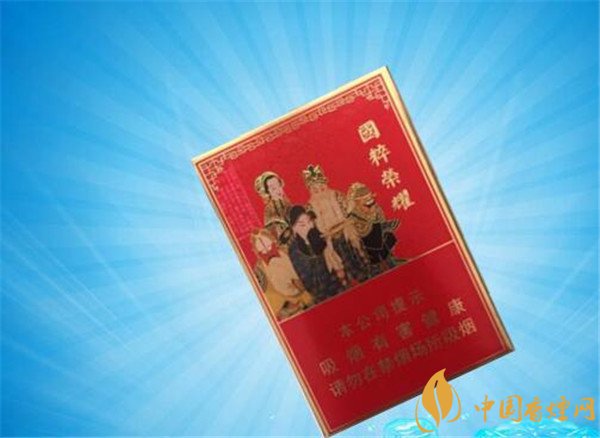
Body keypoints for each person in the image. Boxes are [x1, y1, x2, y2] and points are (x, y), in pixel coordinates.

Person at [302, 165, 370, 284]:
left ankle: (365, 273)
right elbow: (312, 226)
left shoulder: (336, 194)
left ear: (325, 184)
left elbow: (347, 209)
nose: (320, 191)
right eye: (315, 189)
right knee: (340, 259)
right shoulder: (310, 206)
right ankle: (350, 279)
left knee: (354, 252)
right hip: (329, 236)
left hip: (345, 229)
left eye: (321, 187)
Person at [251, 228, 314, 320]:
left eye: (269, 246)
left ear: (274, 242)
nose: (267, 250)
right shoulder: (261, 270)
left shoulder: (286, 251)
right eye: (262, 250)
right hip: (290, 304)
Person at [287, 205, 343, 303]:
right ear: (294, 228)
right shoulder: (294, 249)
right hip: (319, 293)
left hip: (335, 283)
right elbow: (306, 279)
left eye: (309, 222)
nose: (308, 227)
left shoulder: (316, 235)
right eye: (302, 225)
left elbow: (332, 259)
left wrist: (328, 244)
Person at [347, 182, 405, 273]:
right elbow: (359, 231)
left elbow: (381, 218)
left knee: (387, 235)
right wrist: (377, 227)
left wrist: (385, 225)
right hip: (366, 240)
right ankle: (377, 266)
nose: (369, 201)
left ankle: (390, 260)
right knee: (374, 241)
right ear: (357, 202)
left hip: (379, 233)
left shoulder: (375, 207)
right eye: (365, 199)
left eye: (370, 197)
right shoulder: (353, 215)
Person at [254, 171, 292, 245]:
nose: (278, 190)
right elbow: (271, 233)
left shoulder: (286, 202)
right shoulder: (268, 210)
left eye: (279, 186)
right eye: (274, 188)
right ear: (268, 191)